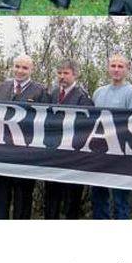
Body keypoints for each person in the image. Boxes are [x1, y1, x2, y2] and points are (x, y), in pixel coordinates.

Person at [0, 54, 48, 219]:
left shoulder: (40, 91)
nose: (20, 71)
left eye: (24, 68)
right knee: (0, 196)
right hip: (1, 152)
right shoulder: (3, 87)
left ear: (31, 69)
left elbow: (44, 123)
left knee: (22, 198)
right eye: (17, 66)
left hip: (25, 154)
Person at [90, 54, 132, 219]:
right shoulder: (99, 92)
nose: (116, 69)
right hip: (99, 153)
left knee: (120, 200)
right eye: (113, 66)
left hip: (122, 154)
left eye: (120, 66)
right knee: (98, 197)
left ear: (127, 69)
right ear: (108, 68)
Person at [44, 60, 93, 218]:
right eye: (59, 73)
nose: (62, 77)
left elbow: (86, 127)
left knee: (71, 201)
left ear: (74, 74)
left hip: (73, 158)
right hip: (52, 155)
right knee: (51, 198)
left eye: (66, 73)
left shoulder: (82, 97)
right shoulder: (52, 94)